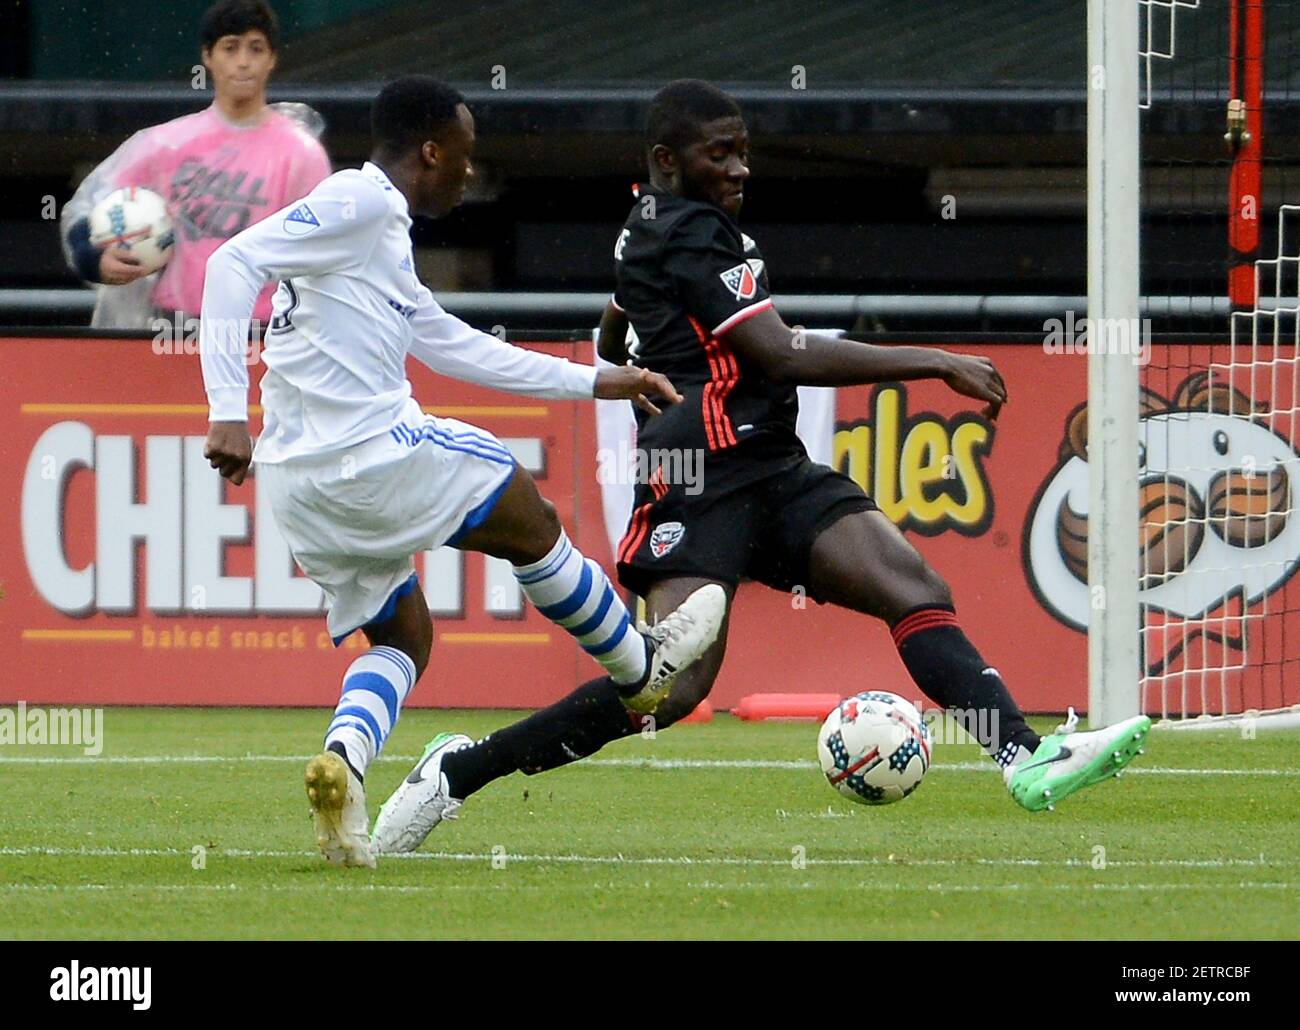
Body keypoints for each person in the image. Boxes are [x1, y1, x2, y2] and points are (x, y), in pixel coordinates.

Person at [373, 79, 1151, 851]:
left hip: (774, 466)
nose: (741, 168)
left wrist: (637, 355)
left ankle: (1023, 757)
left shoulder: (657, 222)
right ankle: (461, 773)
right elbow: (781, 350)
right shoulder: (687, 233)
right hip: (698, 481)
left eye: (744, 152)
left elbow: (614, 323)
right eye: (721, 154)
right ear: (667, 160)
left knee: (914, 588)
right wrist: (935, 359)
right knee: (665, 693)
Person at [197, 76, 726, 869]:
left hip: (301, 487)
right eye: (465, 158)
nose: (469, 175)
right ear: (432, 150)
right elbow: (230, 265)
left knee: (404, 636)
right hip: (369, 454)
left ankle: (343, 764)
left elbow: (447, 342)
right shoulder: (361, 202)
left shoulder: (377, 236)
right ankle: (638, 666)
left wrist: (595, 379)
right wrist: (224, 406)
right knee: (529, 513)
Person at [61, 0, 330, 329]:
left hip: (263, 333)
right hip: (172, 329)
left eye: (256, 49)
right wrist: (94, 259)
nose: (243, 62)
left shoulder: (301, 154)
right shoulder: (166, 145)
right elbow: (90, 205)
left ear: (272, 58)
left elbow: (323, 251)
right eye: (230, 48)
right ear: (207, 56)